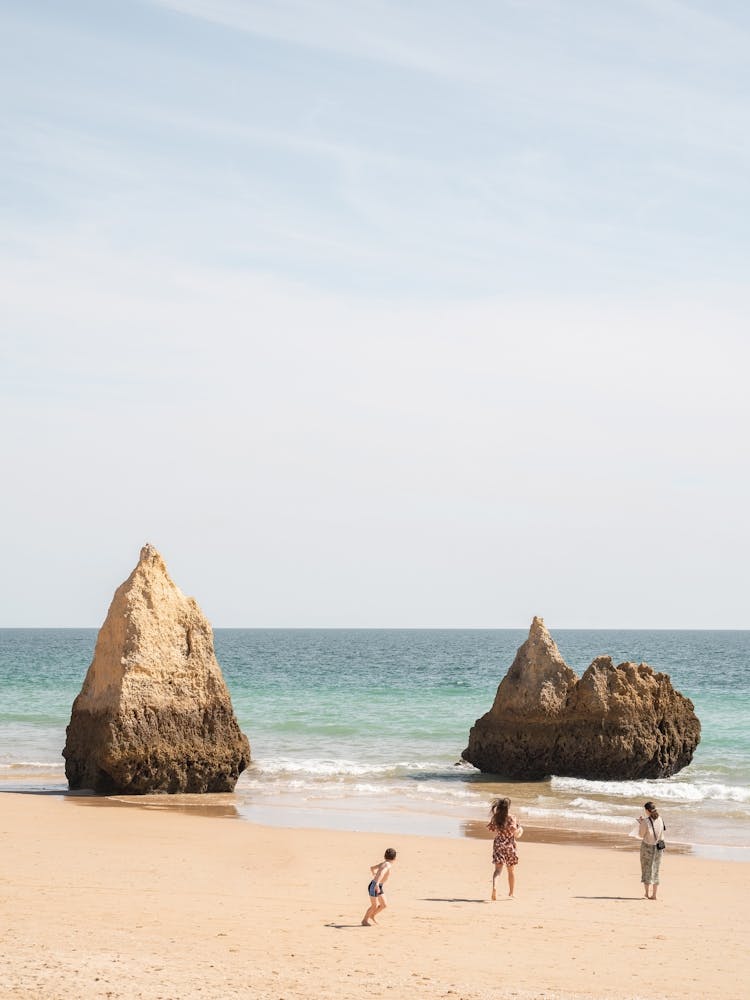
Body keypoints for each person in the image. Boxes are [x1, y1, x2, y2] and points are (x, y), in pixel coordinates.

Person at [488, 797, 523, 900]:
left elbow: (491, 828)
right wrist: (520, 828)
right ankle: (511, 893)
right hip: (509, 845)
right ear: (507, 808)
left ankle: (494, 887)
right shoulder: (511, 818)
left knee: (497, 870)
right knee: (511, 871)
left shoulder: (496, 818)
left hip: (498, 844)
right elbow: (514, 831)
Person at [637, 800, 666, 900]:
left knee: (646, 869)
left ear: (647, 810)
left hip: (647, 847)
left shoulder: (645, 821)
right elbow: (661, 832)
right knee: (655, 870)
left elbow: (641, 835)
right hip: (659, 848)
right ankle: (654, 895)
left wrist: (641, 823)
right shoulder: (660, 819)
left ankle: (646, 893)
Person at [361, 847, 397, 926]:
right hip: (375, 886)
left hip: (378, 885)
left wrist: (373, 873)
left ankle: (372, 915)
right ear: (395, 858)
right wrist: (377, 883)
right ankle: (364, 920)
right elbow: (382, 873)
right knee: (374, 906)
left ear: (384, 856)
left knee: (384, 905)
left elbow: (372, 868)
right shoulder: (388, 865)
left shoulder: (383, 863)